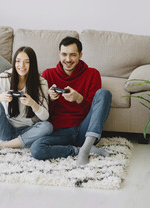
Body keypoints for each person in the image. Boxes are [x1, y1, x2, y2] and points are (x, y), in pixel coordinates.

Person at [30, 37, 112, 165]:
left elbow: (95, 111)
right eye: (64, 54)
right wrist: (49, 99)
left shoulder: (92, 74)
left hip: (85, 131)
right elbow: (43, 115)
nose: (68, 60)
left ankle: (87, 147)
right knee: (36, 149)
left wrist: (79, 99)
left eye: (73, 55)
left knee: (104, 94)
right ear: (59, 54)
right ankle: (78, 150)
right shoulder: (48, 74)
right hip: (59, 132)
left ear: (80, 55)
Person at [0, 46, 53, 162]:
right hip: (6, 130)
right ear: (14, 62)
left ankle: (2, 146)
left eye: (27, 62)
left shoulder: (41, 82)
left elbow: (45, 116)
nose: (21, 66)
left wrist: (32, 104)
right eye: (18, 61)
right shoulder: (4, 78)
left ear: (33, 64)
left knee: (48, 126)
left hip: (28, 130)